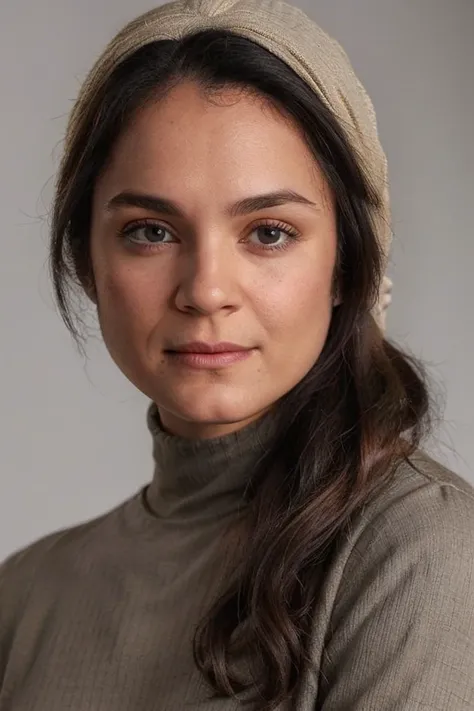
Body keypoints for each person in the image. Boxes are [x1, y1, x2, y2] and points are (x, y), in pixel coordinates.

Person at [1, 0, 473, 709]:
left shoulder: (420, 553)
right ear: (86, 258)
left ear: (348, 262)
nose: (206, 290)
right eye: (152, 231)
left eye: (270, 233)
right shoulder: (25, 595)